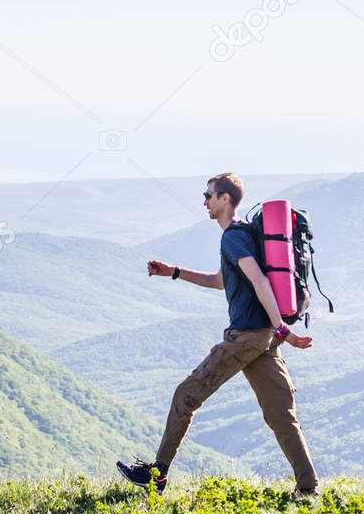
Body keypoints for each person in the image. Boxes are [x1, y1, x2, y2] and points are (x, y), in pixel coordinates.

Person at [115, 172, 319, 496]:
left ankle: (157, 475)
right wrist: (175, 272)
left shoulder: (233, 238)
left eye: (209, 195)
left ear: (225, 199)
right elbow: (222, 280)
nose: (205, 201)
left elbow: (260, 282)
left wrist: (283, 328)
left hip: (247, 338)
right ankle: (308, 487)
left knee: (185, 396)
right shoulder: (241, 236)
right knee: (281, 413)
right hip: (263, 338)